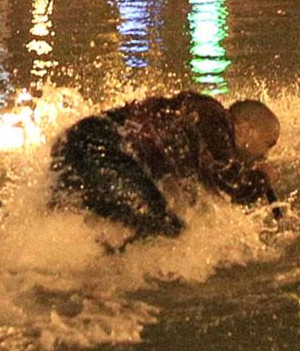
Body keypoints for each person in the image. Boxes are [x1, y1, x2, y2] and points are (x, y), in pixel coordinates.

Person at [49, 91, 281, 252]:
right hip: (98, 145)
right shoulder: (214, 116)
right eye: (268, 144)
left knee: (150, 224)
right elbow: (232, 184)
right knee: (169, 232)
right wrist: (262, 177)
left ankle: (87, 271)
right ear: (247, 128)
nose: (264, 156)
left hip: (78, 143)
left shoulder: (198, 143)